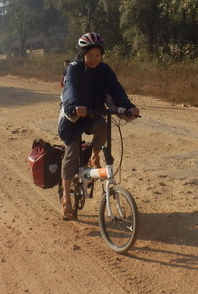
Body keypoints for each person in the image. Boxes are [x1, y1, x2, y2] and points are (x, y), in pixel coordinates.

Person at [58, 32, 139, 220]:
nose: (94, 59)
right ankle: (66, 199)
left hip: (94, 113)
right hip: (73, 117)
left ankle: (94, 156)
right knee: (72, 154)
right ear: (83, 54)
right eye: (90, 55)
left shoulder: (104, 70)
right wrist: (73, 107)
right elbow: (69, 89)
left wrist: (128, 107)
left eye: (97, 55)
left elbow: (116, 89)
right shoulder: (73, 69)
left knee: (102, 127)